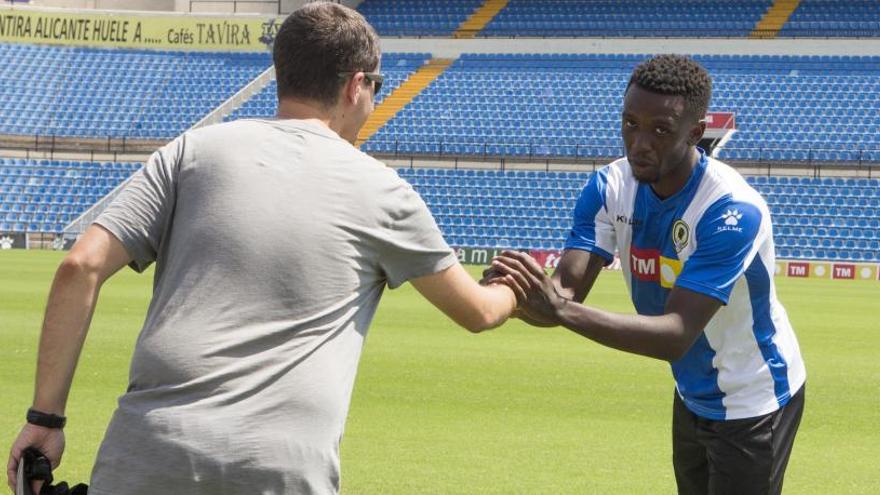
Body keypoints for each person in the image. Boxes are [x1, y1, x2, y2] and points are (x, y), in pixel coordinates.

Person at [6, 4, 516, 494]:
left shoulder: (191, 151)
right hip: (278, 468)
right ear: (356, 85)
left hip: (148, 452)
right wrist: (519, 288)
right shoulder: (382, 190)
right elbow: (477, 312)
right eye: (376, 87)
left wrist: (45, 419)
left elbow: (80, 266)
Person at [486, 54, 805, 495]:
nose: (639, 143)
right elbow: (564, 291)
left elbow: (674, 334)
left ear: (695, 133)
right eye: (630, 123)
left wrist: (556, 307)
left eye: (660, 130)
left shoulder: (731, 210)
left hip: (754, 398)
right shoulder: (608, 187)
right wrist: (512, 296)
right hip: (692, 392)